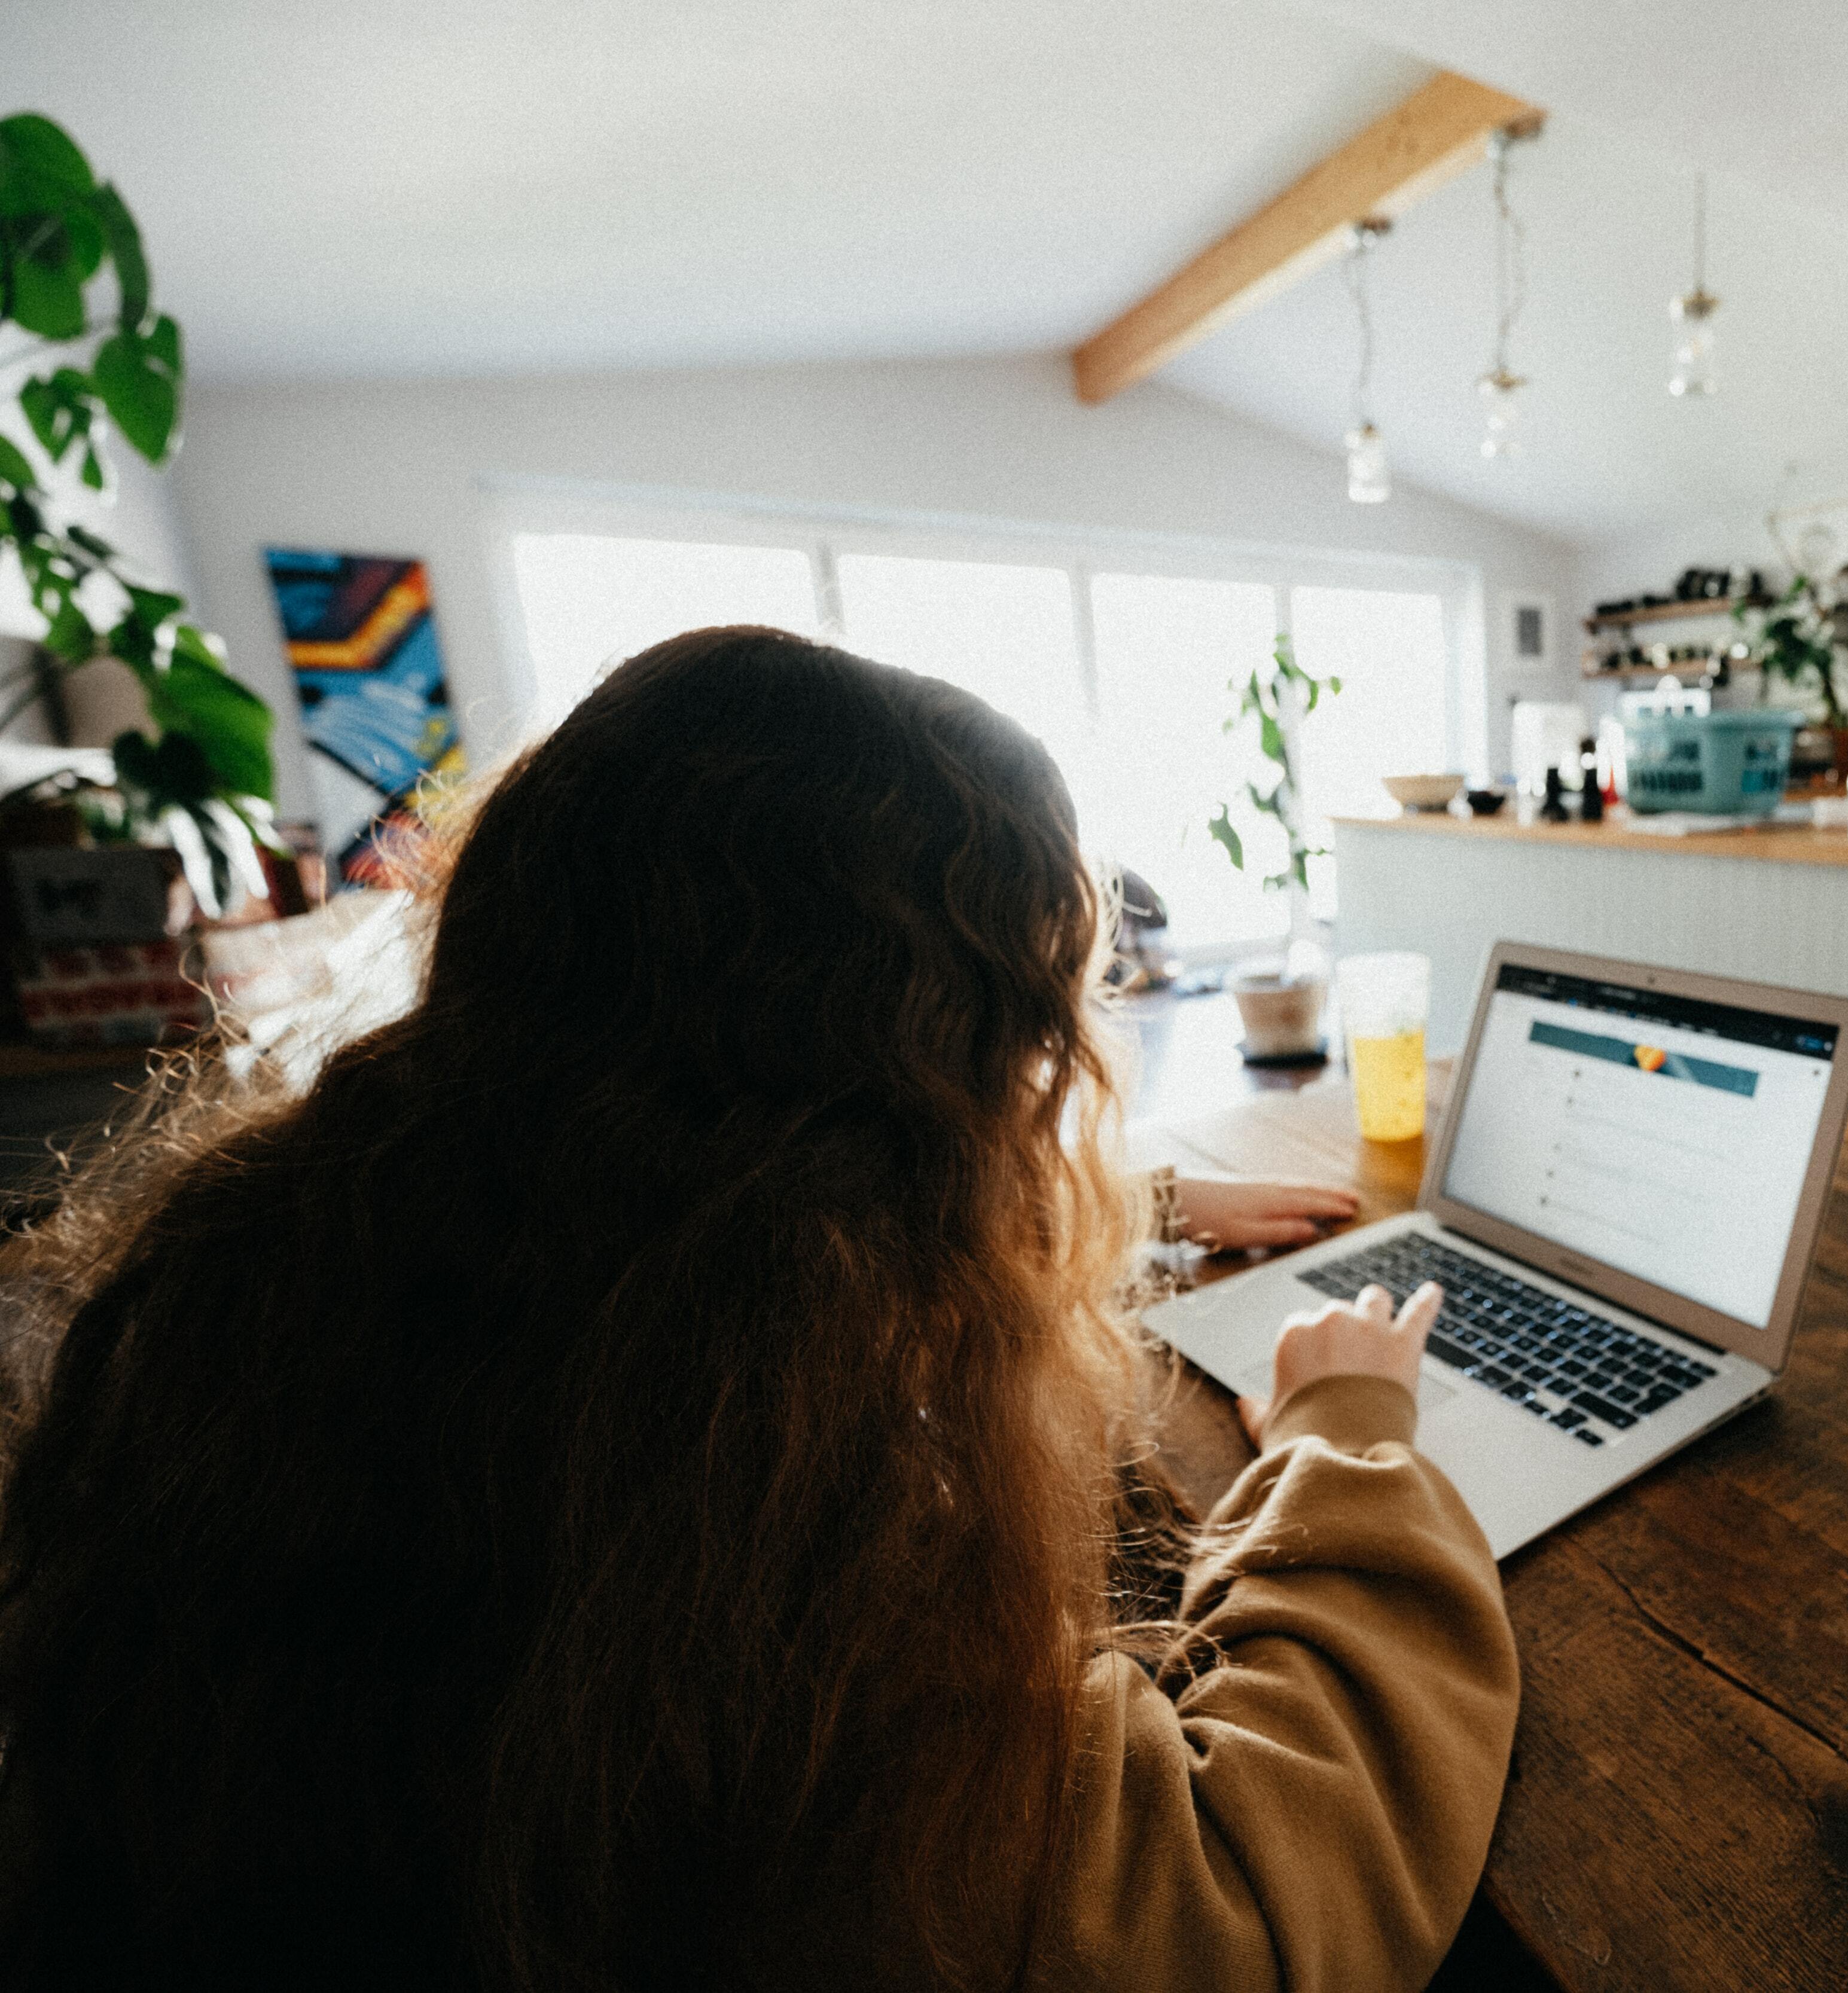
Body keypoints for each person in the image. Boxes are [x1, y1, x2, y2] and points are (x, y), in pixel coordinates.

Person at [0, 628, 1516, 1991]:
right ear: (922, 1085)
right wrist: (1347, 1433)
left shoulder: (297, 1274)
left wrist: (1140, 1211)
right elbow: (1237, 1902)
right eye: (1025, 1026)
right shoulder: (752, 1536)